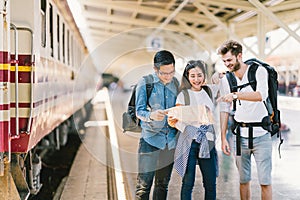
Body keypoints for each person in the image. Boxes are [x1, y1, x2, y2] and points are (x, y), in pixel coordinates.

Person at [217, 40, 273, 200]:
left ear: (239, 56)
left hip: (262, 135)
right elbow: (224, 109)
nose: (227, 64)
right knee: (243, 180)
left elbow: (261, 95)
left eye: (229, 60)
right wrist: (223, 138)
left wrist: (236, 95)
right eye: (224, 61)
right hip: (239, 137)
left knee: (265, 181)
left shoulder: (258, 71)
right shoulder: (227, 79)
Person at [168, 60, 219, 200]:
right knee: (188, 183)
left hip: (208, 141)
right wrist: (192, 131)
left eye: (199, 75)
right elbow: (173, 120)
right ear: (187, 76)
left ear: (204, 75)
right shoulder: (183, 95)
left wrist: (218, 74)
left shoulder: (209, 91)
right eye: (192, 76)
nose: (196, 79)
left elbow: (220, 82)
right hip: (188, 141)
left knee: (210, 183)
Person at [135, 50, 179, 200]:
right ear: (155, 69)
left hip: (170, 141)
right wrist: (150, 115)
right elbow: (139, 111)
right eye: (164, 73)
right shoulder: (145, 82)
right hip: (150, 140)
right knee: (143, 187)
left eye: (171, 72)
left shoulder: (176, 83)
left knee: (162, 185)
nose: (168, 77)